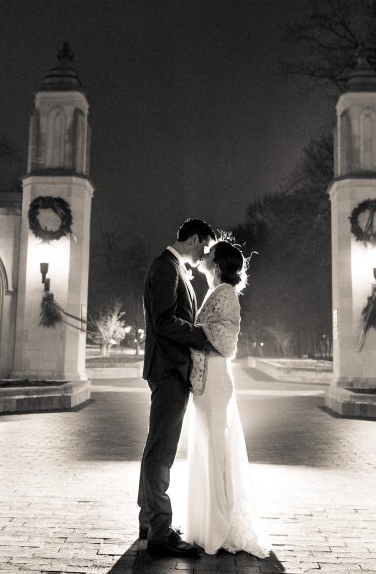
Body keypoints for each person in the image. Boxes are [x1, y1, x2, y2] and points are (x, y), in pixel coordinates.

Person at [183, 240, 271, 558]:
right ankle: (209, 520)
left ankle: (219, 524)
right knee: (208, 446)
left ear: (218, 265)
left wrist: (190, 330)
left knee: (215, 448)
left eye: (209, 254)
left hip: (216, 379)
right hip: (209, 378)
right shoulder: (217, 291)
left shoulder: (225, 293)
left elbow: (227, 341)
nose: (203, 256)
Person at [138, 218, 217, 558]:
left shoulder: (173, 267)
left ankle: (149, 521)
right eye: (205, 246)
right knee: (162, 451)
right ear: (195, 239)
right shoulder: (166, 267)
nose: (205, 254)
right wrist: (202, 335)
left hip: (169, 368)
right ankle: (160, 532)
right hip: (169, 369)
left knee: (156, 447)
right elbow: (164, 321)